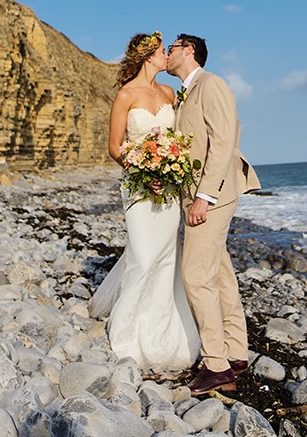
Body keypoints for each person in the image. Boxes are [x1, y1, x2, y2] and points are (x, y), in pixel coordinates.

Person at [88, 32, 201, 373]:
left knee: (166, 258)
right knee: (143, 254)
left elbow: (180, 138)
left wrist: (171, 166)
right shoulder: (125, 95)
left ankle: (165, 332)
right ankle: (128, 333)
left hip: (167, 188)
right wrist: (141, 167)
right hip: (138, 188)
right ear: (148, 57)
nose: (168, 56)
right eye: (162, 52)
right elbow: (114, 146)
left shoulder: (169, 93)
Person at [165, 33, 261, 395]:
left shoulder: (212, 83)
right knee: (218, 272)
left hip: (215, 194)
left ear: (188, 51)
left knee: (195, 275)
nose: (167, 54)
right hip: (198, 193)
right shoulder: (184, 94)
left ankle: (216, 366)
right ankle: (236, 352)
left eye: (171, 48)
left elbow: (224, 140)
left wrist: (203, 197)